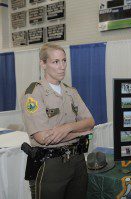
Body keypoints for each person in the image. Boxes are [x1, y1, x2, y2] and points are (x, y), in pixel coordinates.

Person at [20, 43, 95, 199]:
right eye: (55, 62)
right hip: (51, 164)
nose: (62, 66)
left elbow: (90, 121)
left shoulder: (71, 92)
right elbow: (43, 138)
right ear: (43, 64)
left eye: (64, 60)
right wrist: (80, 133)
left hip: (78, 161)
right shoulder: (34, 93)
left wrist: (67, 128)